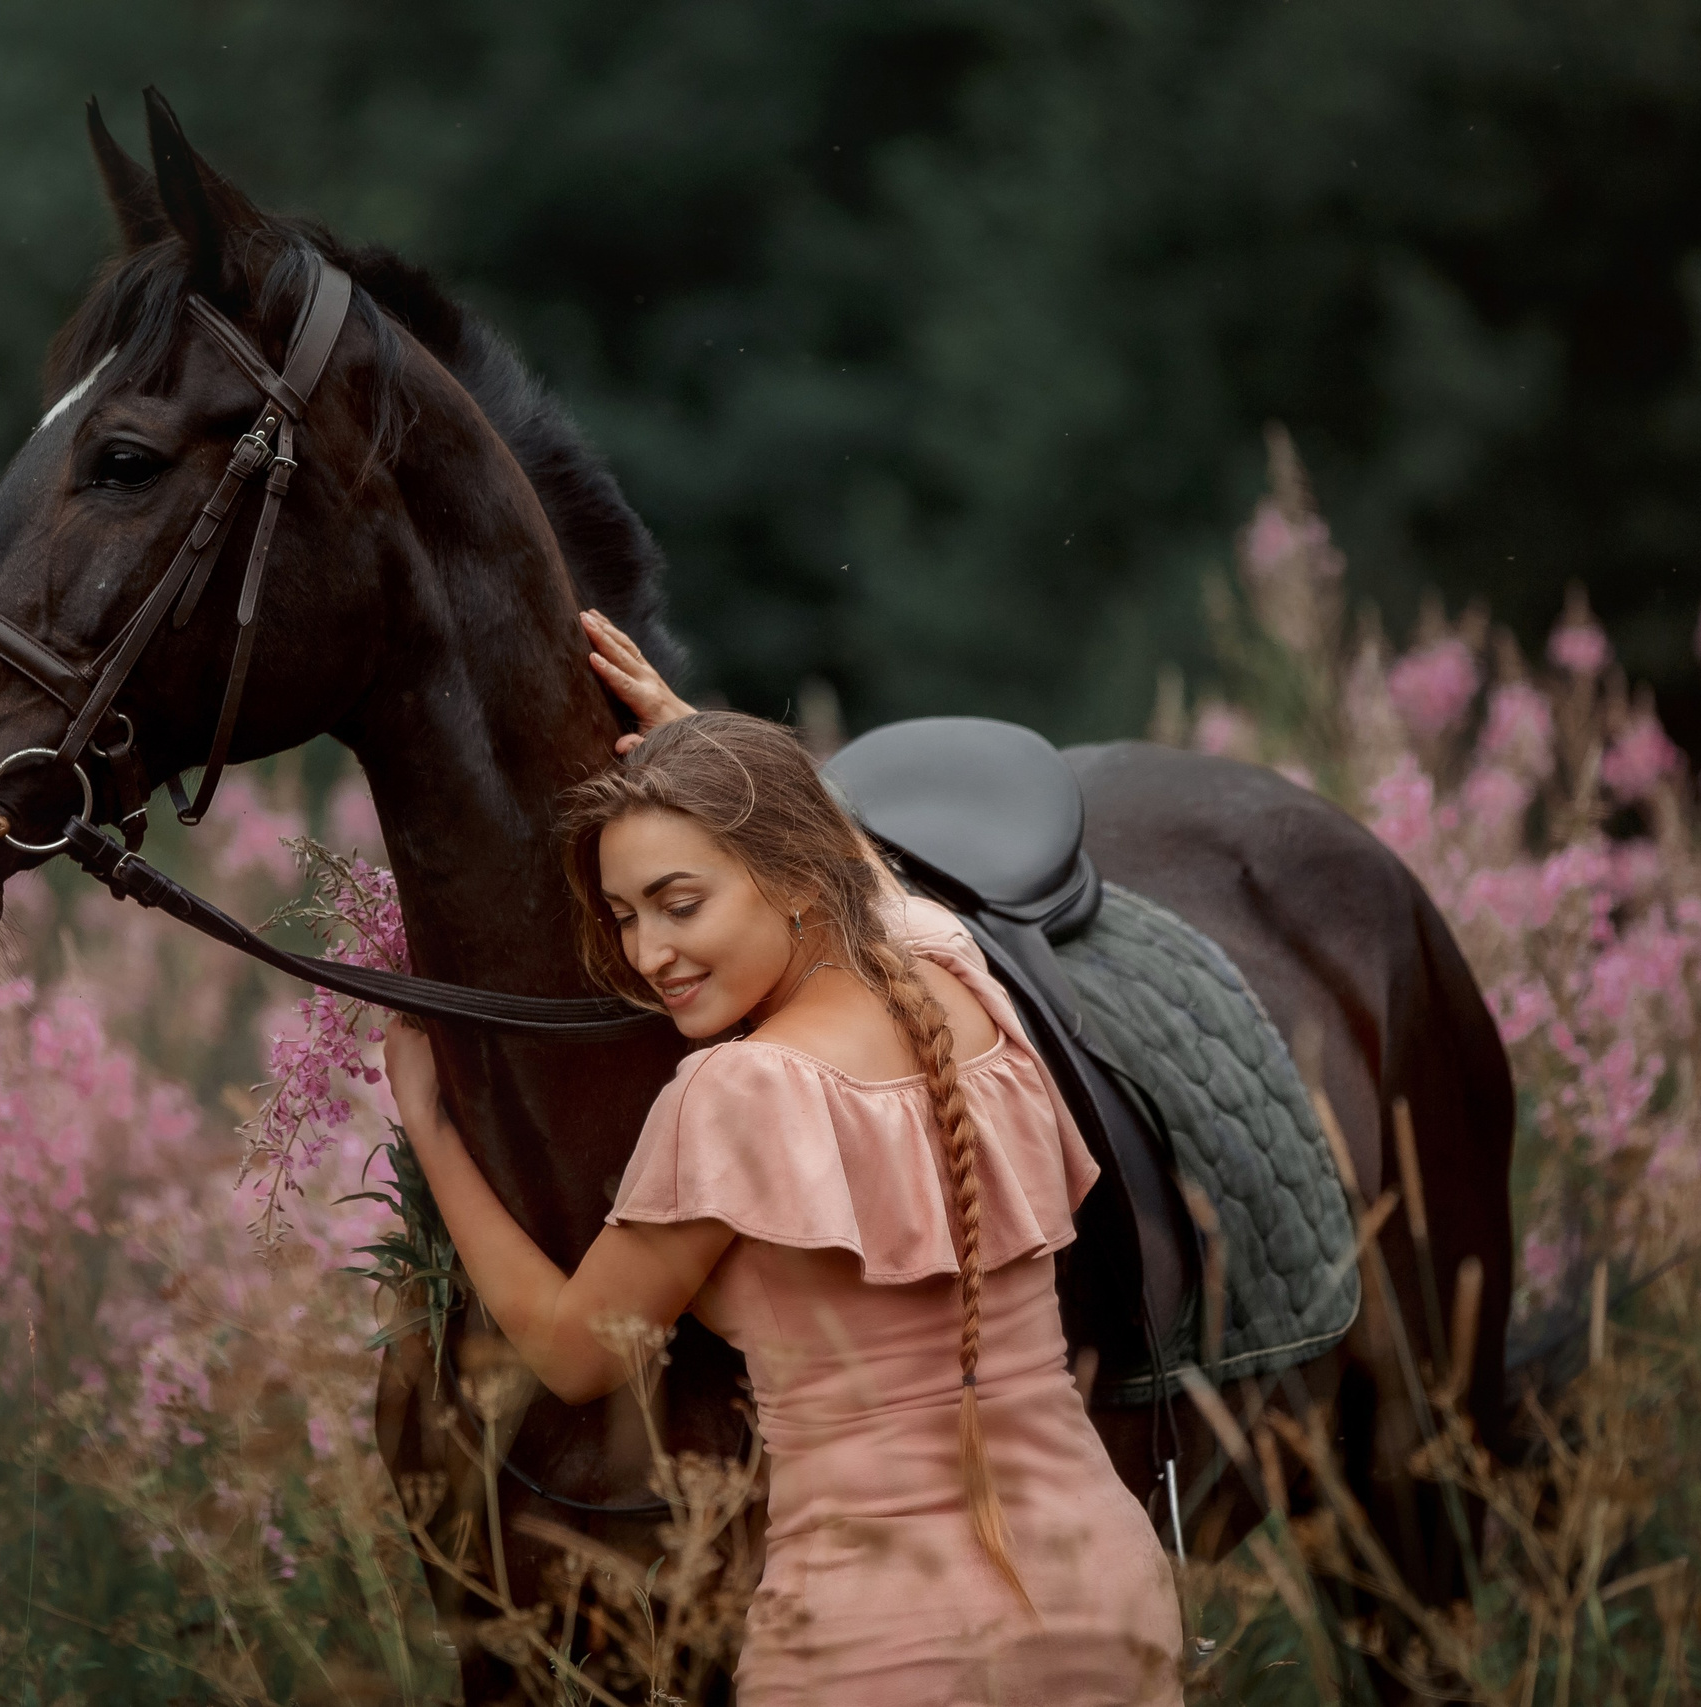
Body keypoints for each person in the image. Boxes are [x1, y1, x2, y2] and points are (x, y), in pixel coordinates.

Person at [378, 612, 1184, 1705]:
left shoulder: (739, 1091)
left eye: (681, 902)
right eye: (622, 917)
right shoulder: (961, 980)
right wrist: (694, 741)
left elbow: (575, 1355)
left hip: (879, 1645)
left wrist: (433, 1128)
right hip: (1103, 1594)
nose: (648, 954)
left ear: (790, 873)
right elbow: (868, 883)